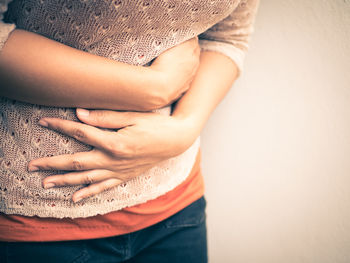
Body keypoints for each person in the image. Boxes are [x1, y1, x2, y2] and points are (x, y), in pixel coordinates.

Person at [0, 0, 259, 262]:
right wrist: (155, 88)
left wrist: (184, 128)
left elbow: (227, 37)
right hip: (36, 226)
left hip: (176, 205)